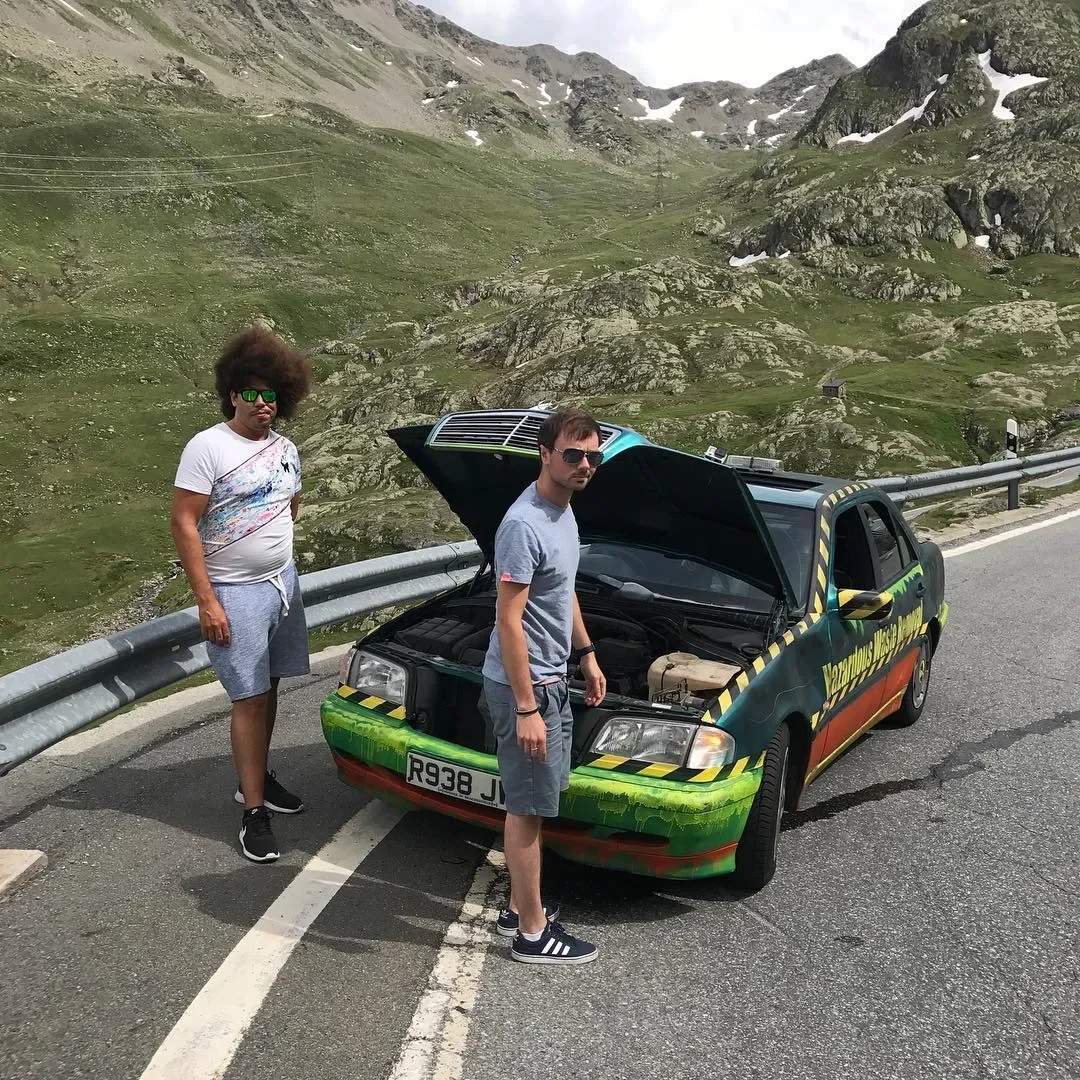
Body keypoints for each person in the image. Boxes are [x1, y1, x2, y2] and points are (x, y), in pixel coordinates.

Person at [170, 326, 313, 863]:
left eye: (271, 395)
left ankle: (258, 778)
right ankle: (252, 811)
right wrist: (208, 599)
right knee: (248, 699)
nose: (262, 404)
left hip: (283, 584)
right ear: (232, 394)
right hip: (235, 591)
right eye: (251, 394)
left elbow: (291, 503)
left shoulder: (285, 448)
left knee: (270, 685)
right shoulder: (207, 447)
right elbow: (184, 522)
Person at [482, 409, 608, 965]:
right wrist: (527, 706)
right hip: (525, 688)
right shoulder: (524, 524)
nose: (584, 465)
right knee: (527, 808)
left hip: (555, 678)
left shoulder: (564, 512)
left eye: (592, 457)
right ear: (545, 454)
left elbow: (563, 592)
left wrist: (586, 654)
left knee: (536, 800)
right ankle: (532, 934)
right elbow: (509, 620)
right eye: (573, 455)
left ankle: (519, 903)